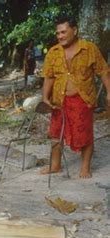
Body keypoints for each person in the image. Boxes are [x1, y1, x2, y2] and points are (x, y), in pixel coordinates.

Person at [41, 15, 110, 178]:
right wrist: (45, 97)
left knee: (84, 134)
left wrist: (109, 92)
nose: (60, 36)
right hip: (58, 100)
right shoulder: (53, 52)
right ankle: (55, 165)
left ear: (75, 30)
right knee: (56, 132)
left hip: (82, 99)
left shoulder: (89, 49)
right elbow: (49, 76)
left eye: (64, 32)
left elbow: (103, 71)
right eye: (58, 33)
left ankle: (85, 167)